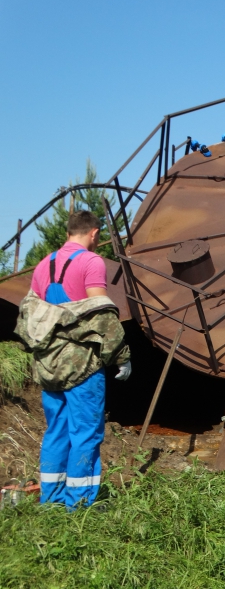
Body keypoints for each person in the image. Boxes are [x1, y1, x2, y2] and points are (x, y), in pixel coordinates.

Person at [15, 210, 131, 509]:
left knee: (57, 431)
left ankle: (50, 498)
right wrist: (121, 355)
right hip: (82, 366)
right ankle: (79, 503)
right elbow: (100, 313)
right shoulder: (91, 262)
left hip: (48, 364)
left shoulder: (44, 265)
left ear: (68, 232)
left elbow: (35, 317)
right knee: (86, 432)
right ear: (94, 233)